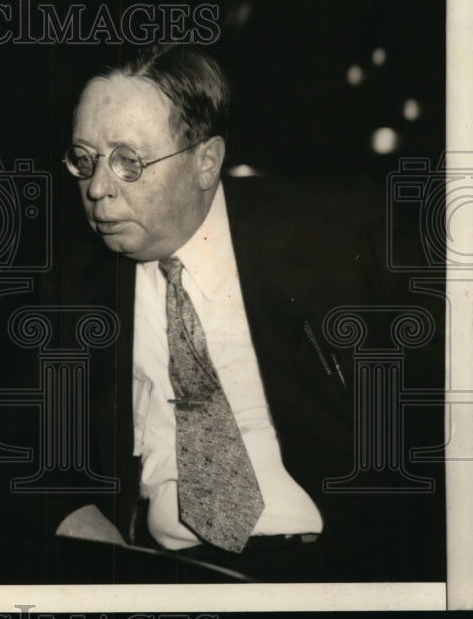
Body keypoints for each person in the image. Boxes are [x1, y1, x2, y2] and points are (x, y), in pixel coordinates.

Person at [53, 44, 444, 581]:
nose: (97, 188)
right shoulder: (77, 286)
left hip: (338, 570)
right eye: (85, 158)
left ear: (205, 162)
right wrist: (74, 518)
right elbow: (26, 448)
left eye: (129, 162)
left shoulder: (341, 233)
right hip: (167, 575)